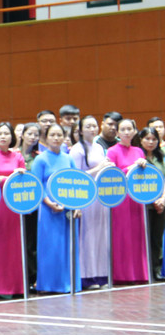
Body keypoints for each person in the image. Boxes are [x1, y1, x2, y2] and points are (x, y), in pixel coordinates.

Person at [32, 124, 81, 293]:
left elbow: (76, 182)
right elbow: (37, 184)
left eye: (59, 135)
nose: (56, 138)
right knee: (51, 247)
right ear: (46, 138)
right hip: (49, 210)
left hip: (68, 209)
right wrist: (49, 203)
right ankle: (49, 284)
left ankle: (69, 283)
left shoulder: (68, 159)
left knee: (68, 247)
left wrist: (77, 206)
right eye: (52, 135)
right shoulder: (40, 159)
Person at [0, 122, 27, 297]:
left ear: (12, 137)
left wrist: (11, 177)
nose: (3, 136)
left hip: (14, 205)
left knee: (14, 246)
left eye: (7, 133)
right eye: (0, 133)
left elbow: (24, 179)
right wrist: (5, 178)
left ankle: (16, 287)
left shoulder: (18, 156)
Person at [70, 116, 112, 288]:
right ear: (80, 130)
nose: (92, 129)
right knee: (87, 237)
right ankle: (86, 277)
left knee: (101, 236)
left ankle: (101, 275)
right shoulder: (77, 149)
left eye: (94, 126)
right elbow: (75, 176)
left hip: (100, 197)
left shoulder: (99, 147)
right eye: (88, 126)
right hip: (85, 197)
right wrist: (98, 168)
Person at [106, 118, 149, 283]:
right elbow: (111, 176)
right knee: (122, 236)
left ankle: (140, 273)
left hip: (137, 198)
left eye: (129, 129)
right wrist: (129, 169)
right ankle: (122, 275)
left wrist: (143, 166)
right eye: (122, 129)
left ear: (134, 131)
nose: (126, 132)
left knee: (138, 236)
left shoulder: (139, 151)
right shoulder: (112, 151)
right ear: (117, 132)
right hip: (121, 199)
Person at [139, 126, 165, 278]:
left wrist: (162, 200)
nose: (151, 142)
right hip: (144, 206)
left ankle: (157, 268)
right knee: (144, 238)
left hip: (161, 204)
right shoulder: (138, 157)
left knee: (157, 238)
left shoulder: (161, 158)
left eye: (154, 139)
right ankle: (145, 270)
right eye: (147, 139)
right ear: (141, 140)